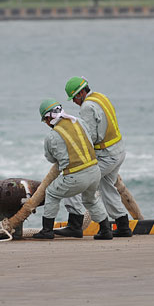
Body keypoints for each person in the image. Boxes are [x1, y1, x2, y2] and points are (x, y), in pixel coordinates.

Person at [55, 76, 133, 238]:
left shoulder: (87, 107)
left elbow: (90, 136)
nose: (75, 101)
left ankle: (75, 225)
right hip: (118, 151)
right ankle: (123, 226)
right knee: (107, 187)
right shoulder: (100, 97)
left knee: (74, 182)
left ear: (82, 92)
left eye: (75, 97)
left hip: (107, 156)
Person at [33, 98, 113, 240]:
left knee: (52, 193)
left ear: (48, 117)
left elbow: (51, 159)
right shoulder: (79, 122)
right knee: (91, 200)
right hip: (95, 171)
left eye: (45, 120)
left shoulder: (52, 136)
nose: (46, 124)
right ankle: (106, 230)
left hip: (76, 176)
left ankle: (47, 230)